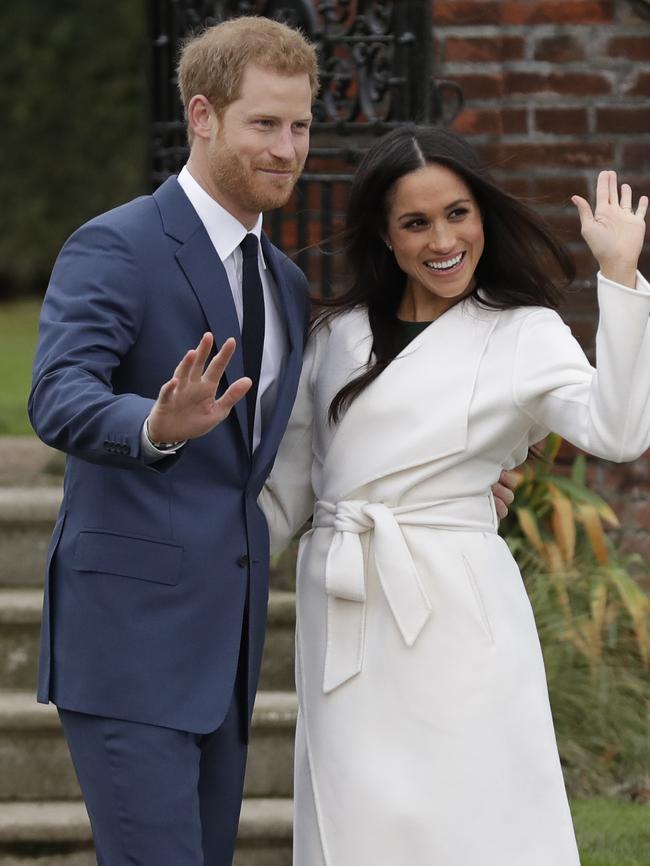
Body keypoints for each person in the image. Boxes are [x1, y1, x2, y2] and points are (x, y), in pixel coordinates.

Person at [260, 125, 649, 866]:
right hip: (344, 601)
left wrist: (621, 275)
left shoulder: (523, 332)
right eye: (416, 222)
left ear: (482, 216)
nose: (443, 239)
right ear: (385, 233)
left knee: (473, 812)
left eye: (458, 213)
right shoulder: (333, 337)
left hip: (457, 610)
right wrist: (208, 566)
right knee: (359, 821)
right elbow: (288, 490)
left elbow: (620, 430)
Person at [28, 16, 318, 866]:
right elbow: (57, 393)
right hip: (127, 644)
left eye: (300, 126)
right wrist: (152, 426)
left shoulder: (286, 282)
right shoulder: (118, 243)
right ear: (202, 116)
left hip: (222, 655)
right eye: (264, 124)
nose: (288, 148)